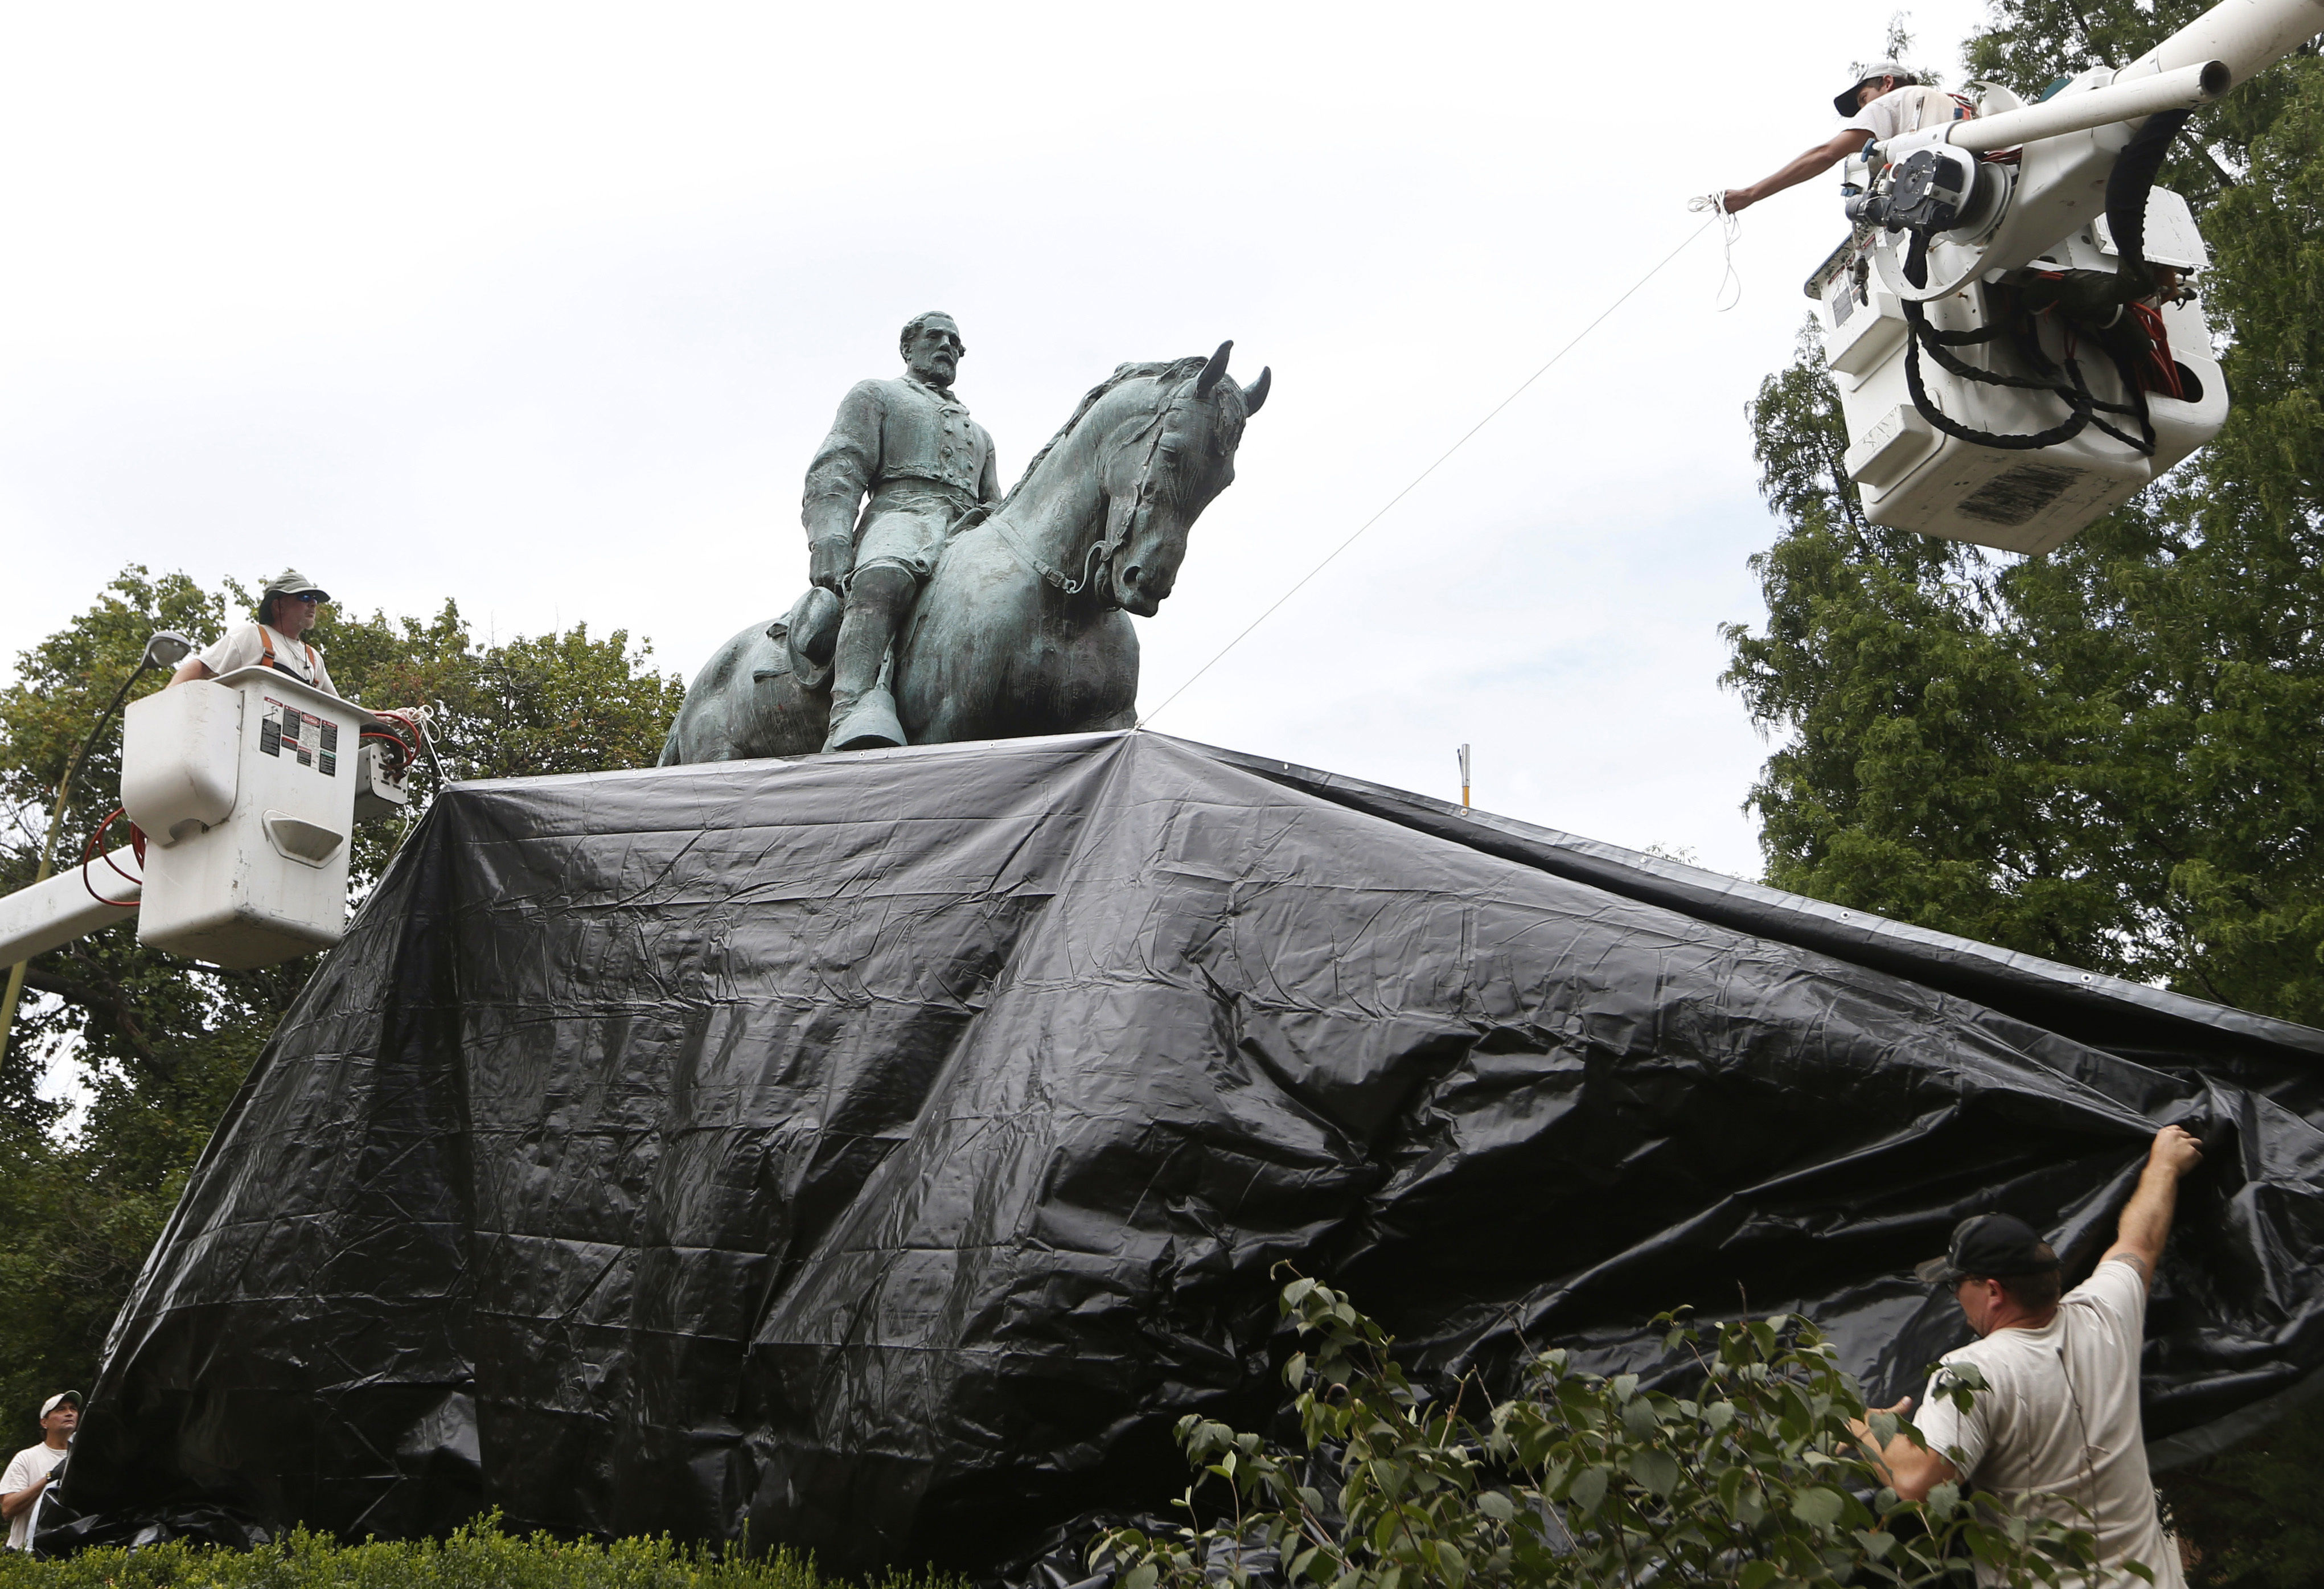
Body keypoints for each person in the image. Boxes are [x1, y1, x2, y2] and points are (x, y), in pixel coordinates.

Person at [1850, 1124, 2206, 1587]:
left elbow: (1917, 1482)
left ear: (1993, 1291)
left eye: (1957, 1284)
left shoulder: (1972, 1372)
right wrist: (2164, 1164)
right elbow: (2140, 1241)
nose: (1954, 1296)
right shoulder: (2106, 1314)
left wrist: (1858, 1424)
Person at [802, 311, 1000, 752]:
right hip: (899, 515)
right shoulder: (878, 395)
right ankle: (850, 709)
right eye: (936, 336)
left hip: (967, 528)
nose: (948, 345)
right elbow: (839, 466)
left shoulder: (981, 435)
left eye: (955, 342)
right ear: (908, 347)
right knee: (884, 576)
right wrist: (831, 537)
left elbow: (993, 503)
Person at [1721, 60, 1973, 213]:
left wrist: (1751, 194)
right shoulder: (1950, 102)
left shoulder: (1887, 102)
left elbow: (1825, 154)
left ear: (1887, 83)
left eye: (1864, 98)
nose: (1864, 110)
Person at [168, 569, 339, 695]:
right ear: (279, 606)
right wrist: (165, 703)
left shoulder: (314, 658)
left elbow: (339, 708)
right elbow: (199, 667)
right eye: (304, 597)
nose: (313, 603)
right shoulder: (252, 636)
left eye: (314, 599)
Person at [2, 1391, 78, 1550]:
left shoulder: (85, 1458)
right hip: (26, 1554)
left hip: (71, 1554)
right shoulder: (27, 1458)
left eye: (73, 1409)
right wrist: (49, 1478)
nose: (69, 1413)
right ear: (45, 1422)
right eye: (61, 1410)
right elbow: (8, 1509)